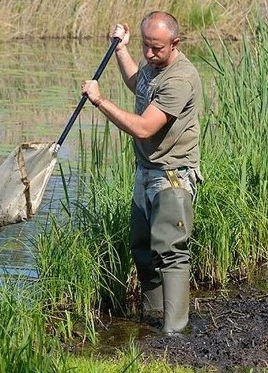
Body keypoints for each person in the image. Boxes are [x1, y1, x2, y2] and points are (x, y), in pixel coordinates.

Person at [81, 11, 202, 335]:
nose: (148, 54)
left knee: (171, 252)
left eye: (156, 48)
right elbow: (139, 84)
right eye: (145, 46)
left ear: (175, 44)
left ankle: (174, 333)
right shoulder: (154, 67)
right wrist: (120, 49)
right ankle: (153, 317)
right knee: (142, 246)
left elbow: (145, 128)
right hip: (145, 172)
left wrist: (100, 101)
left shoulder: (180, 79)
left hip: (172, 176)